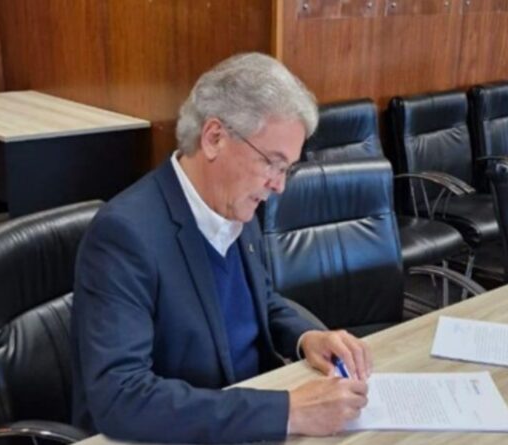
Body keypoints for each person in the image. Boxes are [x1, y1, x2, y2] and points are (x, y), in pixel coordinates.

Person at [71, 53, 372, 443]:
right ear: (214, 138)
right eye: (272, 163)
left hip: (245, 420)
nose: (279, 185)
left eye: (286, 169)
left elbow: (261, 300)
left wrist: (306, 337)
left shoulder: (236, 205)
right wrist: (287, 411)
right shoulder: (124, 235)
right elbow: (121, 397)